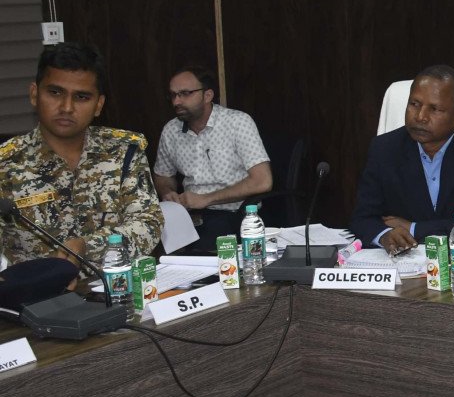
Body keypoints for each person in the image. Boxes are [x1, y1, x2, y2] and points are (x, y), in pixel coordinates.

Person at [0, 42, 162, 267]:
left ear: (99, 105)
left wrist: (87, 246)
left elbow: (148, 224)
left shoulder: (123, 151)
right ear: (34, 95)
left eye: (81, 97)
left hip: (117, 284)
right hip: (39, 289)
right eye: (55, 92)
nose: (66, 107)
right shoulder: (6, 164)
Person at [350, 65, 454, 251]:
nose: (420, 117)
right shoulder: (385, 149)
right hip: (403, 263)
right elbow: (362, 219)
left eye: (434, 109)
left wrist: (415, 229)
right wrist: (384, 236)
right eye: (414, 104)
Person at [152, 65, 272, 248]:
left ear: (207, 95)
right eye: (173, 95)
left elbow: (262, 181)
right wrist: (168, 193)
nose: (177, 101)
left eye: (185, 94)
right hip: (187, 215)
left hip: (233, 213)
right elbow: (163, 175)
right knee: (153, 243)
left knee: (202, 246)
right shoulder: (171, 130)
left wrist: (206, 199)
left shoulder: (237, 122)